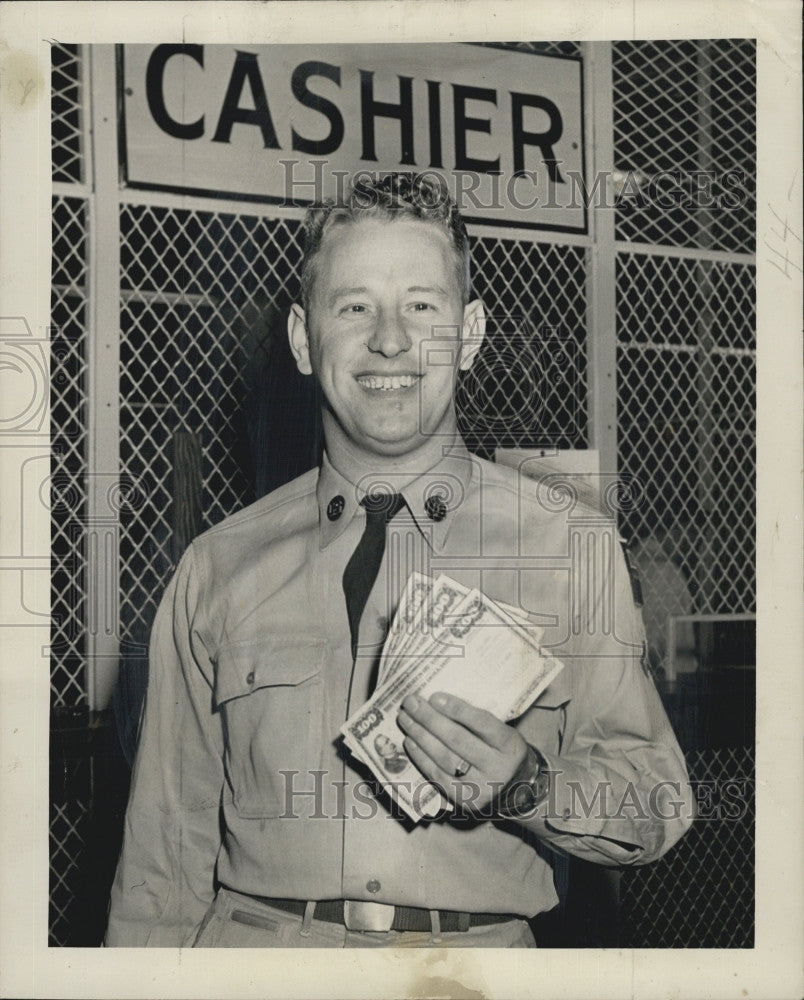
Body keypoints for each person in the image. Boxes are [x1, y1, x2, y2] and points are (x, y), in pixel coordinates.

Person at [105, 172, 693, 948]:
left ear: (472, 333)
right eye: (354, 307)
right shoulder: (217, 567)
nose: (390, 340)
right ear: (301, 338)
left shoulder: (568, 547)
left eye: (422, 305)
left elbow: (657, 801)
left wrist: (529, 788)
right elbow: (161, 863)